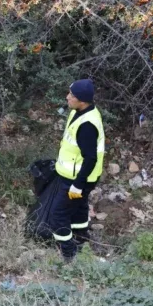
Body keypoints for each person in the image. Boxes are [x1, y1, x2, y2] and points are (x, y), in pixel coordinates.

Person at [50, 79, 105, 263]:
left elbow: (90, 158)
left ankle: (68, 254)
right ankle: (81, 241)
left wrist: (77, 185)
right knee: (79, 211)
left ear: (82, 100)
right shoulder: (80, 112)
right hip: (76, 177)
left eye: (72, 95)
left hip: (77, 180)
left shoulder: (87, 125)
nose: (68, 97)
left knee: (58, 215)